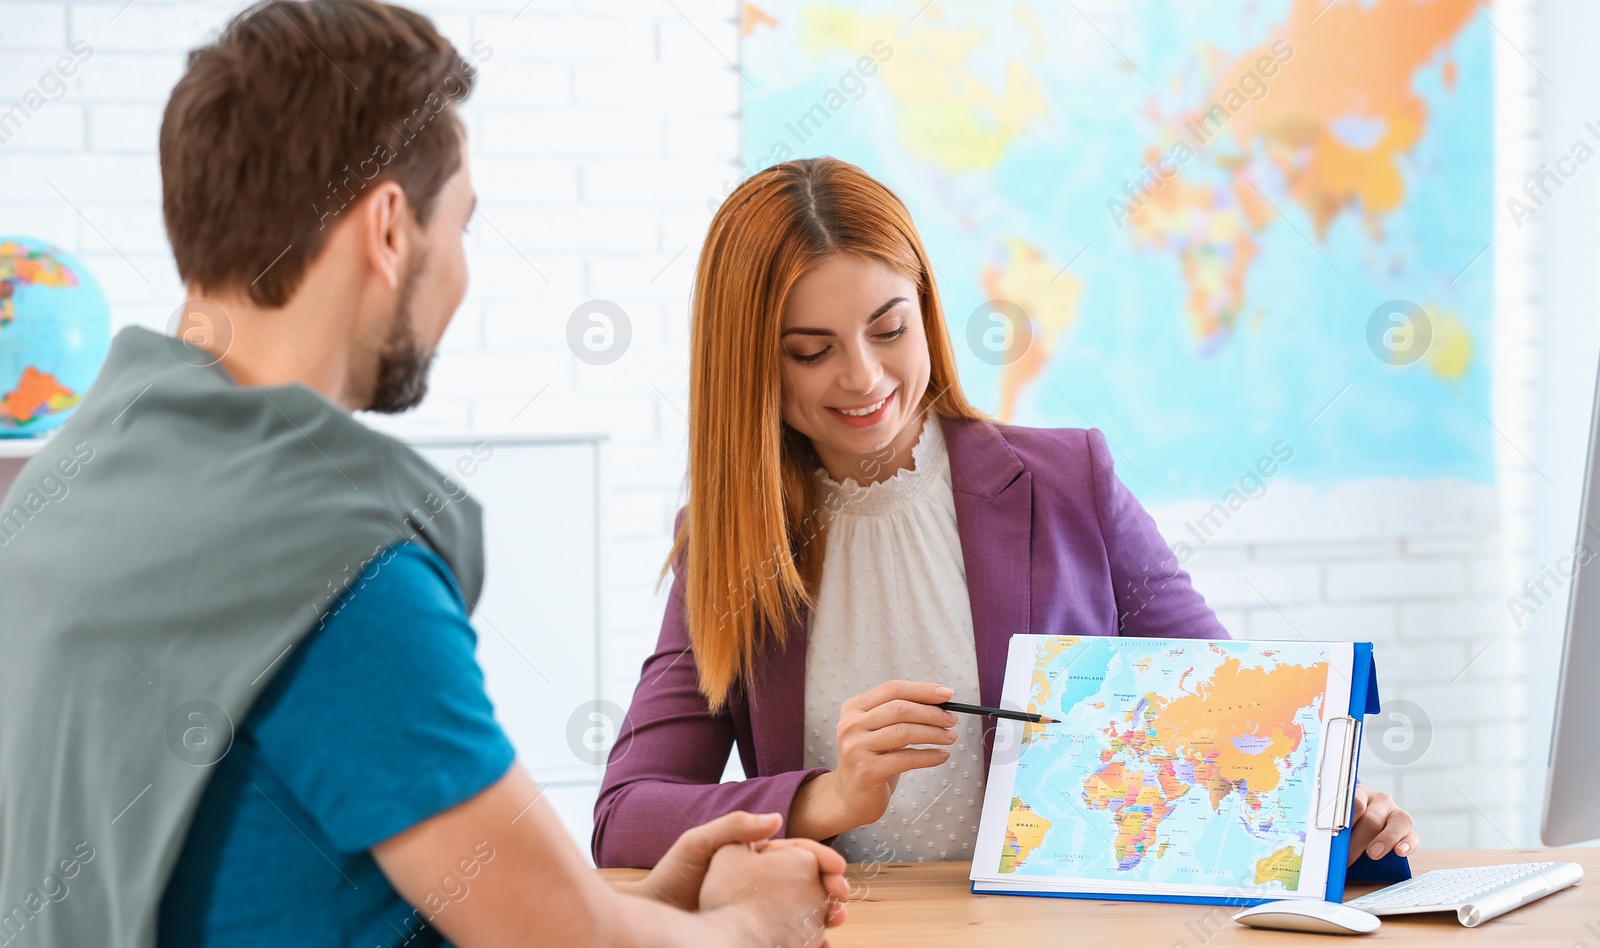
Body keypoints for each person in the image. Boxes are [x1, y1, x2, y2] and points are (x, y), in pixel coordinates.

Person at [0, 3, 846, 948]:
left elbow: (285, 894)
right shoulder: (328, 561)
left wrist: (640, 905)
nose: (460, 273)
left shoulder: (58, 501)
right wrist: (759, 931)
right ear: (390, 227)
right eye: (463, 226)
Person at [592, 157, 1419, 872]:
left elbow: (1239, 723)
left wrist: (1334, 818)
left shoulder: (1070, 480)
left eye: (889, 328)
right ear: (750, 364)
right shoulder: (733, 541)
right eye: (811, 351)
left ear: (927, 309)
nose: (864, 377)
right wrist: (826, 796)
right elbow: (626, 817)